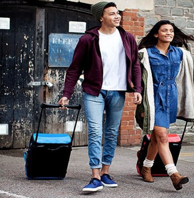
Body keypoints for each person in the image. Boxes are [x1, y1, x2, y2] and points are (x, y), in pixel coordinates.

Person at [58, 1, 142, 192]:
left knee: (111, 133)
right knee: (96, 132)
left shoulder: (127, 38)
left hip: (118, 91)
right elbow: (74, 68)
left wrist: (138, 89)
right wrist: (66, 94)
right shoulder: (88, 39)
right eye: (112, 14)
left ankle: (105, 172)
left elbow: (135, 65)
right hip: (94, 91)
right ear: (101, 17)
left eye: (118, 13)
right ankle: (95, 176)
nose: (117, 16)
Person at [136, 20, 194, 190]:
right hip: (152, 97)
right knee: (162, 136)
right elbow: (138, 77)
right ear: (156, 34)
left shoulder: (179, 54)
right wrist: (140, 102)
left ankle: (146, 168)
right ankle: (174, 175)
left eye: (171, 31)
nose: (169, 33)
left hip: (171, 97)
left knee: (157, 138)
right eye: (164, 30)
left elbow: (185, 76)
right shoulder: (146, 54)